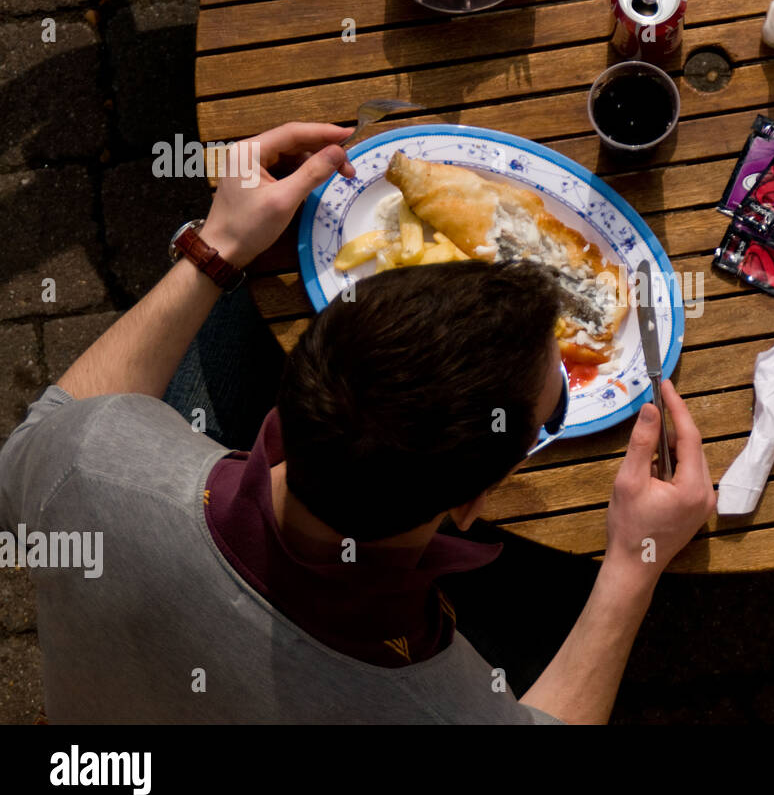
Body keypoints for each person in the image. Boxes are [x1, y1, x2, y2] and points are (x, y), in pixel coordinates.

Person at [0, 122, 716, 724]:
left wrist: (217, 244)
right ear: (470, 505)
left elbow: (35, 445)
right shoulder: (441, 704)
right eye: (550, 411)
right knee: (550, 590)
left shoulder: (87, 468)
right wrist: (632, 562)